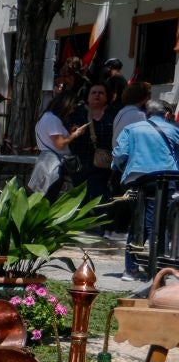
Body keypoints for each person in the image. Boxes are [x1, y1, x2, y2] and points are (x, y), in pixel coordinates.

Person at [112, 101, 179, 277]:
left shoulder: (131, 129)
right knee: (160, 223)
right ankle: (160, 269)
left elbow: (119, 155)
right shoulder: (174, 130)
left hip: (137, 179)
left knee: (136, 221)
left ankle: (131, 268)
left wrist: (123, 169)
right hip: (166, 179)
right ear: (166, 114)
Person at [66, 81, 118, 224]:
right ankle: (77, 224)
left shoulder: (113, 114)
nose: (97, 95)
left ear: (107, 97)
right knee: (79, 195)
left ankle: (103, 224)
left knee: (99, 193)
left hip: (102, 163)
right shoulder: (78, 113)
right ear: (87, 97)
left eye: (101, 93)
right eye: (93, 92)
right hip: (80, 162)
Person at [29, 89, 81, 195]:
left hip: (46, 161)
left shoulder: (46, 117)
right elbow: (60, 144)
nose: (72, 111)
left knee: (42, 196)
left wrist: (69, 133)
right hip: (53, 165)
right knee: (49, 198)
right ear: (65, 105)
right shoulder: (53, 119)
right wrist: (75, 135)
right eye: (72, 107)